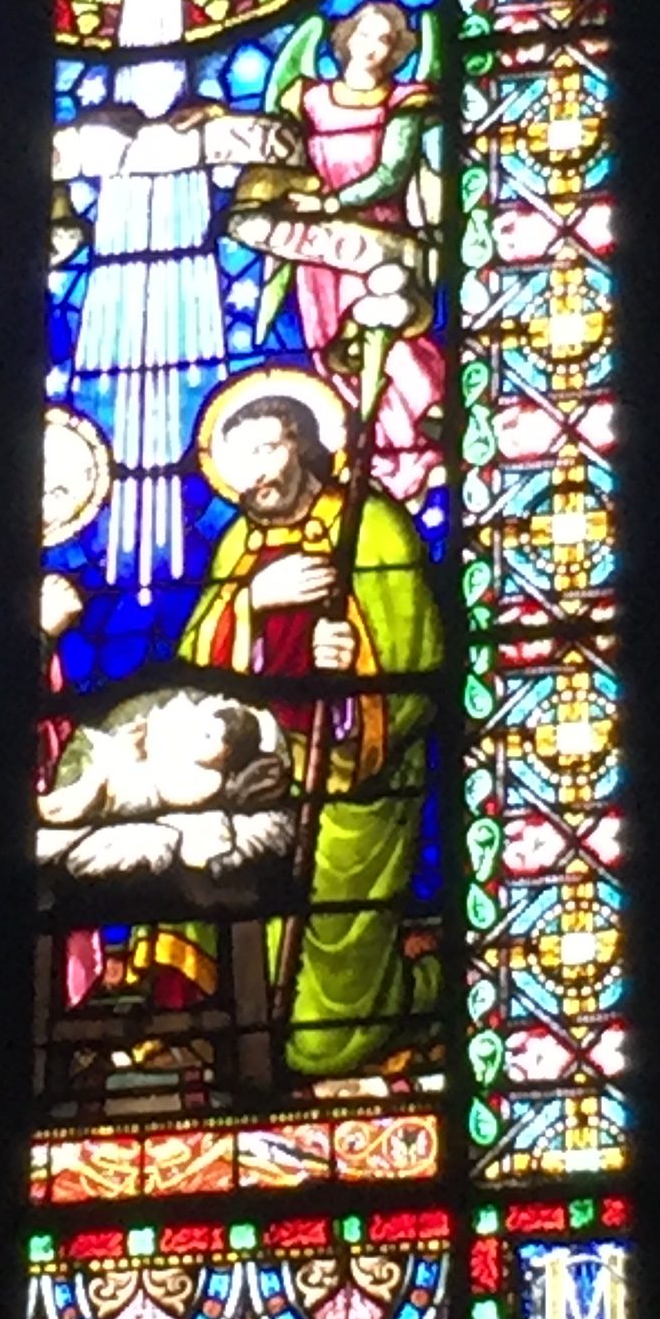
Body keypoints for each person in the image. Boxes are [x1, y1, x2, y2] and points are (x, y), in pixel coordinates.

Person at [167, 377, 443, 1077]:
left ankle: (430, 986)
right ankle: (216, 1024)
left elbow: (417, 662)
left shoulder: (371, 525)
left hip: (355, 774)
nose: (253, 473)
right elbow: (197, 661)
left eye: (266, 447)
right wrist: (251, 605)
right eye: (237, 460)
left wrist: (350, 674)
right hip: (258, 762)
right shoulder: (236, 545)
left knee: (324, 1040)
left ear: (305, 444)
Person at [261, 0, 447, 505]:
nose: (372, 47)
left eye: (385, 40)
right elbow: (281, 160)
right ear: (343, 40)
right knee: (332, 350)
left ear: (398, 51)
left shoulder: (405, 101)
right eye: (364, 35)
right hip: (319, 252)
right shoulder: (310, 100)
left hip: (380, 243)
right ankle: (367, 451)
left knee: (393, 341)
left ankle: (411, 446)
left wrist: (330, 201)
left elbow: (392, 172)